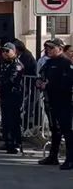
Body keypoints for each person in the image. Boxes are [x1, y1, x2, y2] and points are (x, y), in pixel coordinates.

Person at [37, 38, 73, 169]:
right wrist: (40, 82)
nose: (49, 50)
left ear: (60, 49)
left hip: (63, 101)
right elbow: (42, 75)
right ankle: (53, 156)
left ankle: (70, 159)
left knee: (67, 130)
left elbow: (67, 83)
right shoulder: (49, 62)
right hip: (51, 100)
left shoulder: (66, 63)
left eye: (52, 48)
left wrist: (49, 84)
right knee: (55, 130)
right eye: (47, 48)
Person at [0, 42, 24, 154]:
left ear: (14, 51)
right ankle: (8, 141)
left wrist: (0, 88)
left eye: (7, 51)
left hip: (13, 95)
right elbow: (0, 77)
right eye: (3, 51)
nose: (5, 53)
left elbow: (12, 80)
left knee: (14, 121)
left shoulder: (17, 65)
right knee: (6, 120)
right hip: (4, 95)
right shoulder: (4, 63)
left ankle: (16, 143)